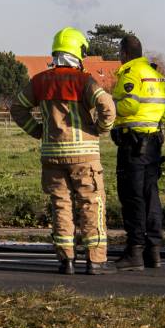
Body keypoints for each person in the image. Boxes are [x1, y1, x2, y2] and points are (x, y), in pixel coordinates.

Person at [10, 27, 117, 275]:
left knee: (61, 205)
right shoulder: (84, 80)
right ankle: (95, 260)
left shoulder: (40, 81)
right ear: (78, 51)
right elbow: (107, 107)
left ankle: (66, 260)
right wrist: (100, 129)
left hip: (52, 155)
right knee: (92, 204)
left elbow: (18, 108)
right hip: (84, 155)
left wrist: (38, 131)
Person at [111, 34, 165, 271]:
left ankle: (134, 251)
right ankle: (153, 250)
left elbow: (129, 104)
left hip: (132, 144)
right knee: (151, 196)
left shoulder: (130, 73)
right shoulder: (157, 75)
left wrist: (108, 105)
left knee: (132, 196)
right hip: (154, 143)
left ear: (124, 53)